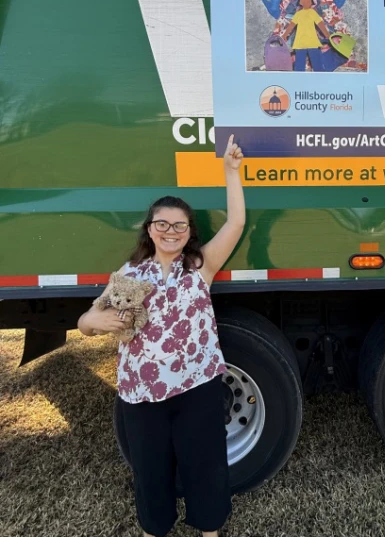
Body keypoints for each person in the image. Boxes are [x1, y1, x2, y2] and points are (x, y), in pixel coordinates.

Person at [77, 135, 245, 537]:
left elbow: (236, 222)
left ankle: (210, 531)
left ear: (189, 232)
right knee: (151, 477)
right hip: (141, 395)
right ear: (150, 230)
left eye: (179, 225)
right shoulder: (130, 275)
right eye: (162, 224)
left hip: (197, 387)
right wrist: (94, 322)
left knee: (206, 468)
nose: (171, 231)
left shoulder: (201, 267)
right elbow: (87, 320)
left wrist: (231, 172)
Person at [282, 0, 329, 72]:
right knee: (299, 64)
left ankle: (320, 76)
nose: (307, 2)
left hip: (312, 41)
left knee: (317, 62)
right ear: (300, 3)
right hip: (300, 41)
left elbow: (320, 24)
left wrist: (327, 35)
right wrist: (285, 34)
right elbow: (291, 25)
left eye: (308, 0)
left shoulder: (313, 13)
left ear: (311, 2)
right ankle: (299, 77)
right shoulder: (298, 14)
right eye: (304, 0)